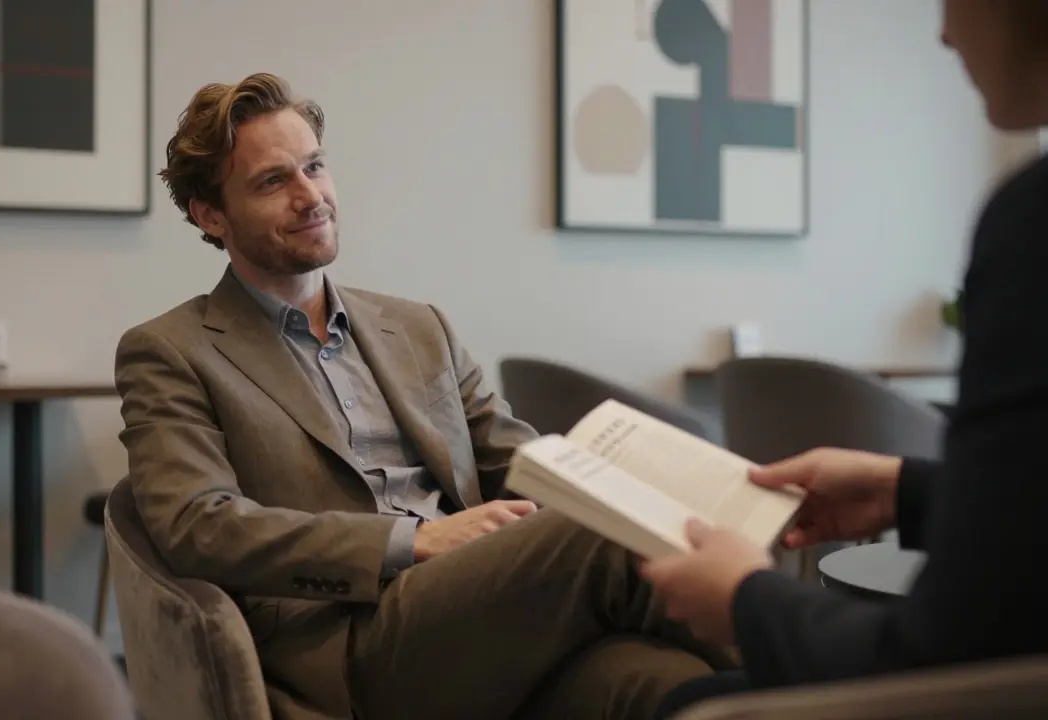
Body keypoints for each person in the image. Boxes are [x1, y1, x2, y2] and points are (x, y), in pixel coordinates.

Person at [114, 72, 737, 720]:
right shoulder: (172, 351)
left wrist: (635, 480)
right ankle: (816, 658)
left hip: (485, 610)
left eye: (315, 167)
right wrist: (409, 542)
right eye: (274, 181)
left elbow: (515, 459)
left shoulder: (416, 327)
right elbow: (198, 526)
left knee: (660, 682)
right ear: (210, 213)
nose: (311, 196)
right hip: (352, 637)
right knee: (603, 537)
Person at [643, 0, 1048, 715]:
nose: (944, 33)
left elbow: (944, 665)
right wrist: (907, 488)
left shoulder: (1034, 222)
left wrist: (747, 600)